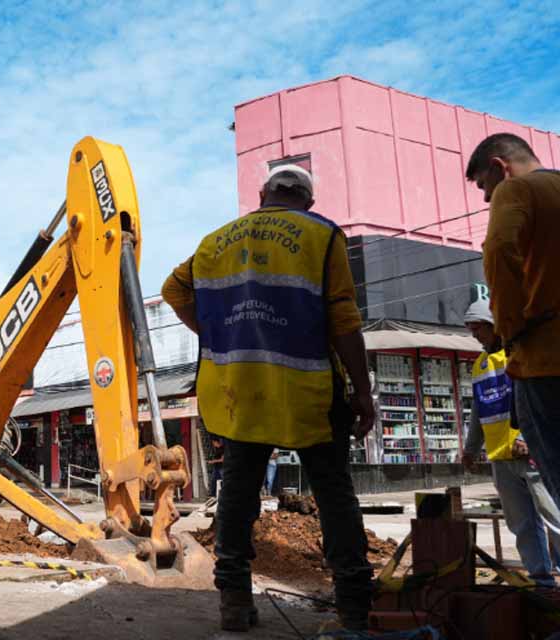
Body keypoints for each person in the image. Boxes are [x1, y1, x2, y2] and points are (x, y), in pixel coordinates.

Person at [162, 164, 376, 632]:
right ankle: (354, 604)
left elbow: (172, 290)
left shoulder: (215, 242)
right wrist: (363, 391)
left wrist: (218, 333)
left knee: (239, 493)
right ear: (309, 201)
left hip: (239, 390)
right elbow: (343, 319)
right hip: (307, 389)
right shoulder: (322, 235)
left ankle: (234, 600)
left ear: (262, 194)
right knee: (333, 494)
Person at [466, 134, 560, 505]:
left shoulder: (516, 189)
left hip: (544, 358)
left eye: (483, 186)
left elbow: (500, 250)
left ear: (499, 167)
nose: (487, 198)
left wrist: (510, 333)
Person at [461, 299, 560, 587]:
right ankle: (541, 579)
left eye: (478, 329)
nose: (475, 335)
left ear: (493, 326)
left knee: (554, 518)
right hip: (500, 457)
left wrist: (525, 436)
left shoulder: (518, 355)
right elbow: (478, 410)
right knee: (522, 524)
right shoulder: (480, 365)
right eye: (471, 330)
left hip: (529, 453)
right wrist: (470, 448)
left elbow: (533, 400)